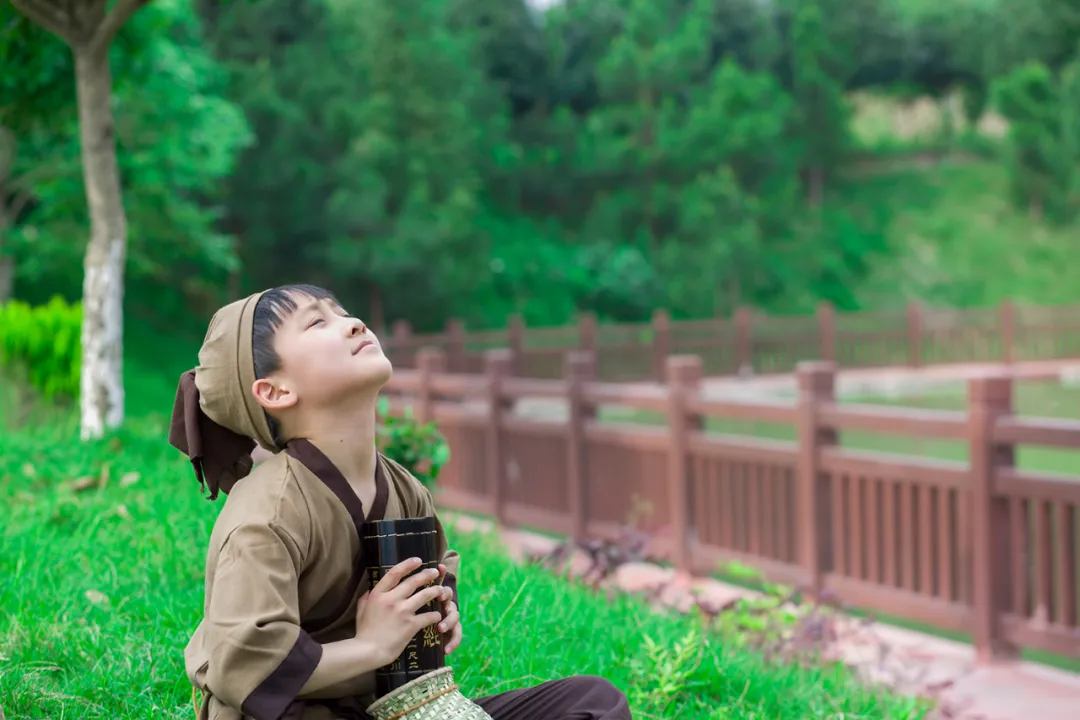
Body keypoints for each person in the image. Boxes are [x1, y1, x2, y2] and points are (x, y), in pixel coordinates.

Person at [169, 284, 632, 720]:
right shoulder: (267, 515)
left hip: (389, 707)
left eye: (344, 313)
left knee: (594, 703)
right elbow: (241, 666)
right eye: (317, 323)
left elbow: (437, 565)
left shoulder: (404, 488)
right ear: (275, 391)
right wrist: (372, 647)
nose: (353, 324)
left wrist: (437, 608)